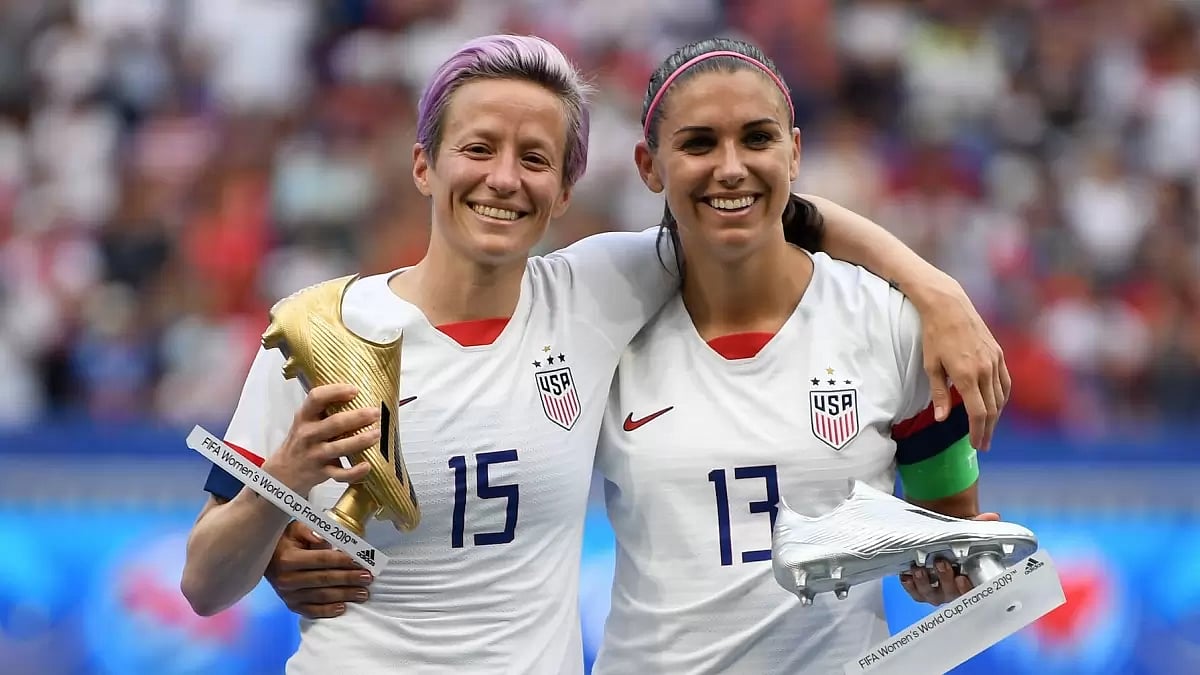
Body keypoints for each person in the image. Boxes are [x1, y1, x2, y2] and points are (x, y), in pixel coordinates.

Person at [181, 34, 1007, 673]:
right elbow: (205, 582)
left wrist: (935, 289)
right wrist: (279, 499)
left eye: (535, 157)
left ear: (566, 187)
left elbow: (750, 204)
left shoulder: (593, 293)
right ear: (423, 164)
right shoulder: (324, 329)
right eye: (478, 149)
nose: (505, 179)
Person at [590, 38, 1002, 674]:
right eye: (699, 144)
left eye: (758, 139)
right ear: (650, 166)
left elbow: (948, 532)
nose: (731, 167)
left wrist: (946, 568)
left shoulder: (891, 323)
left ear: (795, 151)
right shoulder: (599, 322)